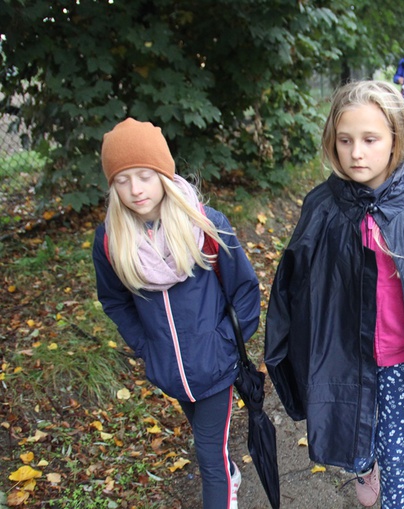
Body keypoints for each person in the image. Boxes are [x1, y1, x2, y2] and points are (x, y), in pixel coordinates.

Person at [264, 80, 404, 508]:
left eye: (369, 140)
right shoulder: (323, 206)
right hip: (343, 355)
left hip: (401, 359)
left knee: (395, 451)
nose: (356, 153)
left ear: (395, 139)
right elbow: (297, 288)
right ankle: (364, 467)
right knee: (353, 441)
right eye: (345, 140)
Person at [92, 118, 261, 509]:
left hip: (215, 366)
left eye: (144, 176)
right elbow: (114, 300)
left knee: (208, 456)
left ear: (163, 175)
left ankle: (224, 482)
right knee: (208, 443)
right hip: (170, 369)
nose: (135, 189)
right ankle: (229, 470)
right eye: (123, 180)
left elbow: (244, 289)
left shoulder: (204, 224)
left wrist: (223, 344)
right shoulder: (111, 240)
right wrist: (147, 346)